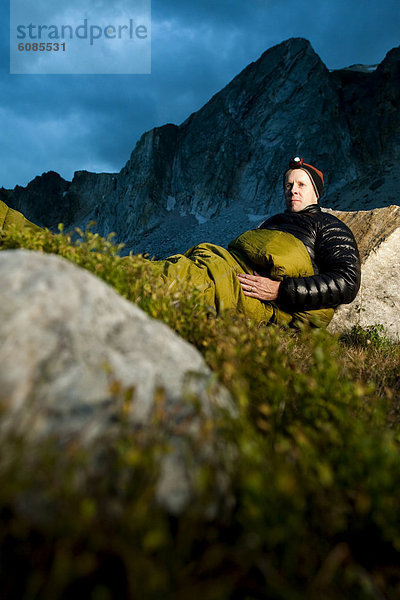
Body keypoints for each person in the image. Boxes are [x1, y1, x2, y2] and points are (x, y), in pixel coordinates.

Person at [236, 157, 361, 315]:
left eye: (301, 185)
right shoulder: (271, 222)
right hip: (240, 281)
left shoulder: (328, 225)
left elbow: (347, 282)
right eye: (289, 185)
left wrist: (282, 290)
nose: (293, 190)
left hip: (273, 306)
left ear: (315, 192)